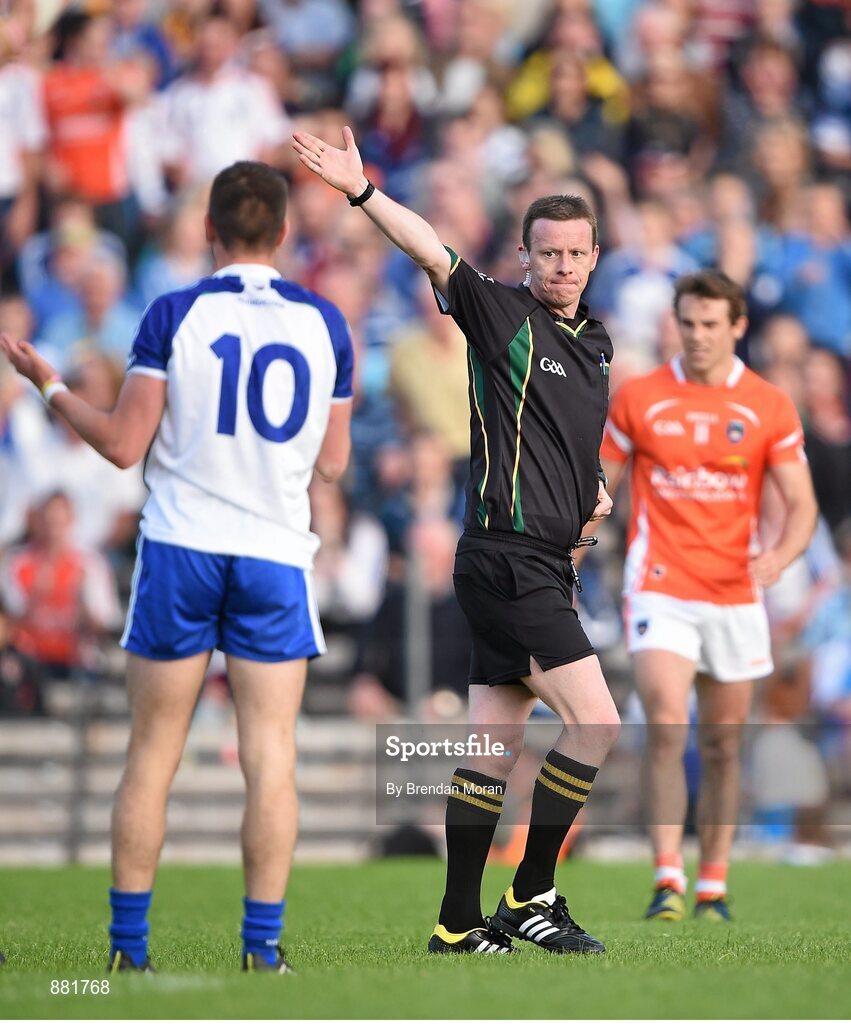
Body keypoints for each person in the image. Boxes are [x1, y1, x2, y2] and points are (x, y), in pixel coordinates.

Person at [0, 161, 354, 973]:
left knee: (152, 754)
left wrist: (49, 386)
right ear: (285, 233)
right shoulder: (325, 324)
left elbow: (124, 446)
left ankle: (128, 954)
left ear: (208, 232)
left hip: (182, 548)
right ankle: (262, 951)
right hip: (272, 554)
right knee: (271, 758)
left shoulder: (174, 313)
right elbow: (332, 466)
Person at [293, 126, 618, 955]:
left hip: (538, 562)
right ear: (523, 256)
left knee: (491, 748)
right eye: (547, 253)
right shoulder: (500, 311)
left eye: (576, 253)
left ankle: (454, 923)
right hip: (505, 560)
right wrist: (363, 193)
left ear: (594, 255)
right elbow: (431, 250)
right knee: (597, 722)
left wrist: (593, 487)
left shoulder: (596, 342)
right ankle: (531, 892)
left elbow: (568, 439)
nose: (562, 266)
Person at [598, 270, 818, 922]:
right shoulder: (639, 398)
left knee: (723, 745)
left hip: (733, 591)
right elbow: (600, 486)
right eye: (687, 323)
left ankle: (712, 885)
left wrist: (778, 555)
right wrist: (579, 525)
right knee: (665, 721)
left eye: (709, 325)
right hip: (658, 582)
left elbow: (800, 505)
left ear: (736, 327)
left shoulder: (767, 405)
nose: (696, 336)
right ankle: (666, 878)